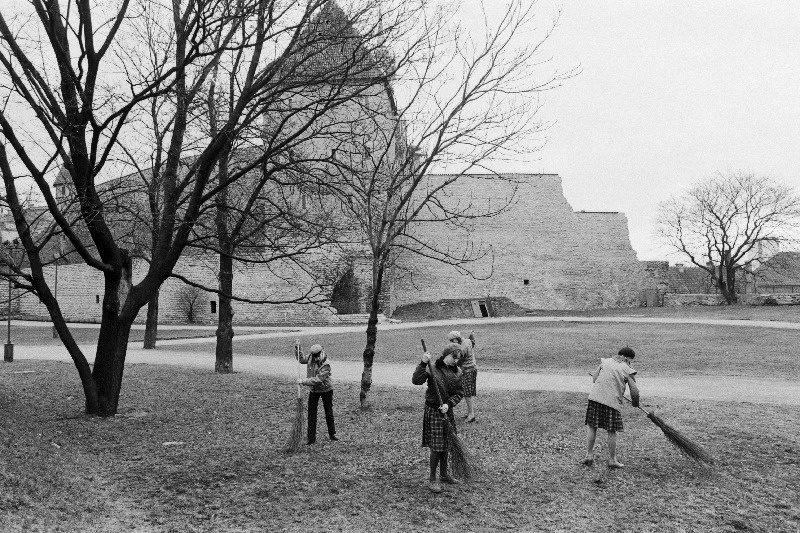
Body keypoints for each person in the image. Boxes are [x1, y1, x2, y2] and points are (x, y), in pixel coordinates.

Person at [411, 343, 464, 493]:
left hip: (446, 411)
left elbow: (459, 393)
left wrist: (448, 404)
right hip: (434, 410)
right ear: (445, 355)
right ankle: (433, 479)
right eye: (453, 357)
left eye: (458, 358)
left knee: (446, 444)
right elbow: (416, 380)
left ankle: (444, 474)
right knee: (437, 446)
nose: (455, 361)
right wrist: (422, 362)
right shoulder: (432, 367)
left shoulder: (458, 372)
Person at [583, 347, 640, 468]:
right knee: (611, 431)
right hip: (611, 402)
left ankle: (589, 455)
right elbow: (634, 390)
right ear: (625, 357)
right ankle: (612, 460)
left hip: (595, 398)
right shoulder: (626, 368)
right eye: (629, 360)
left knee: (592, 427)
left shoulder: (605, 361)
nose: (630, 363)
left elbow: (594, 379)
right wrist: (636, 402)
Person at [297, 342, 338, 445]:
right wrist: (298, 348)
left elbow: (318, 379)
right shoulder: (311, 357)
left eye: (315, 356)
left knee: (328, 413)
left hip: (326, 390)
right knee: (311, 414)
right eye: (312, 355)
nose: (314, 358)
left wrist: (304, 381)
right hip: (314, 391)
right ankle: (311, 438)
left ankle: (332, 434)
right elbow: (301, 359)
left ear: (320, 353)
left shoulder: (326, 364)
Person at [448, 330, 478, 422]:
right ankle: (469, 412)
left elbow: (459, 359)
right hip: (471, 369)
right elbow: (472, 342)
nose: (452, 343)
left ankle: (471, 415)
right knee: (466, 392)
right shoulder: (467, 341)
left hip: (468, 370)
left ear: (456, 339)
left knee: (467, 393)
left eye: (452, 340)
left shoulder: (463, 345)